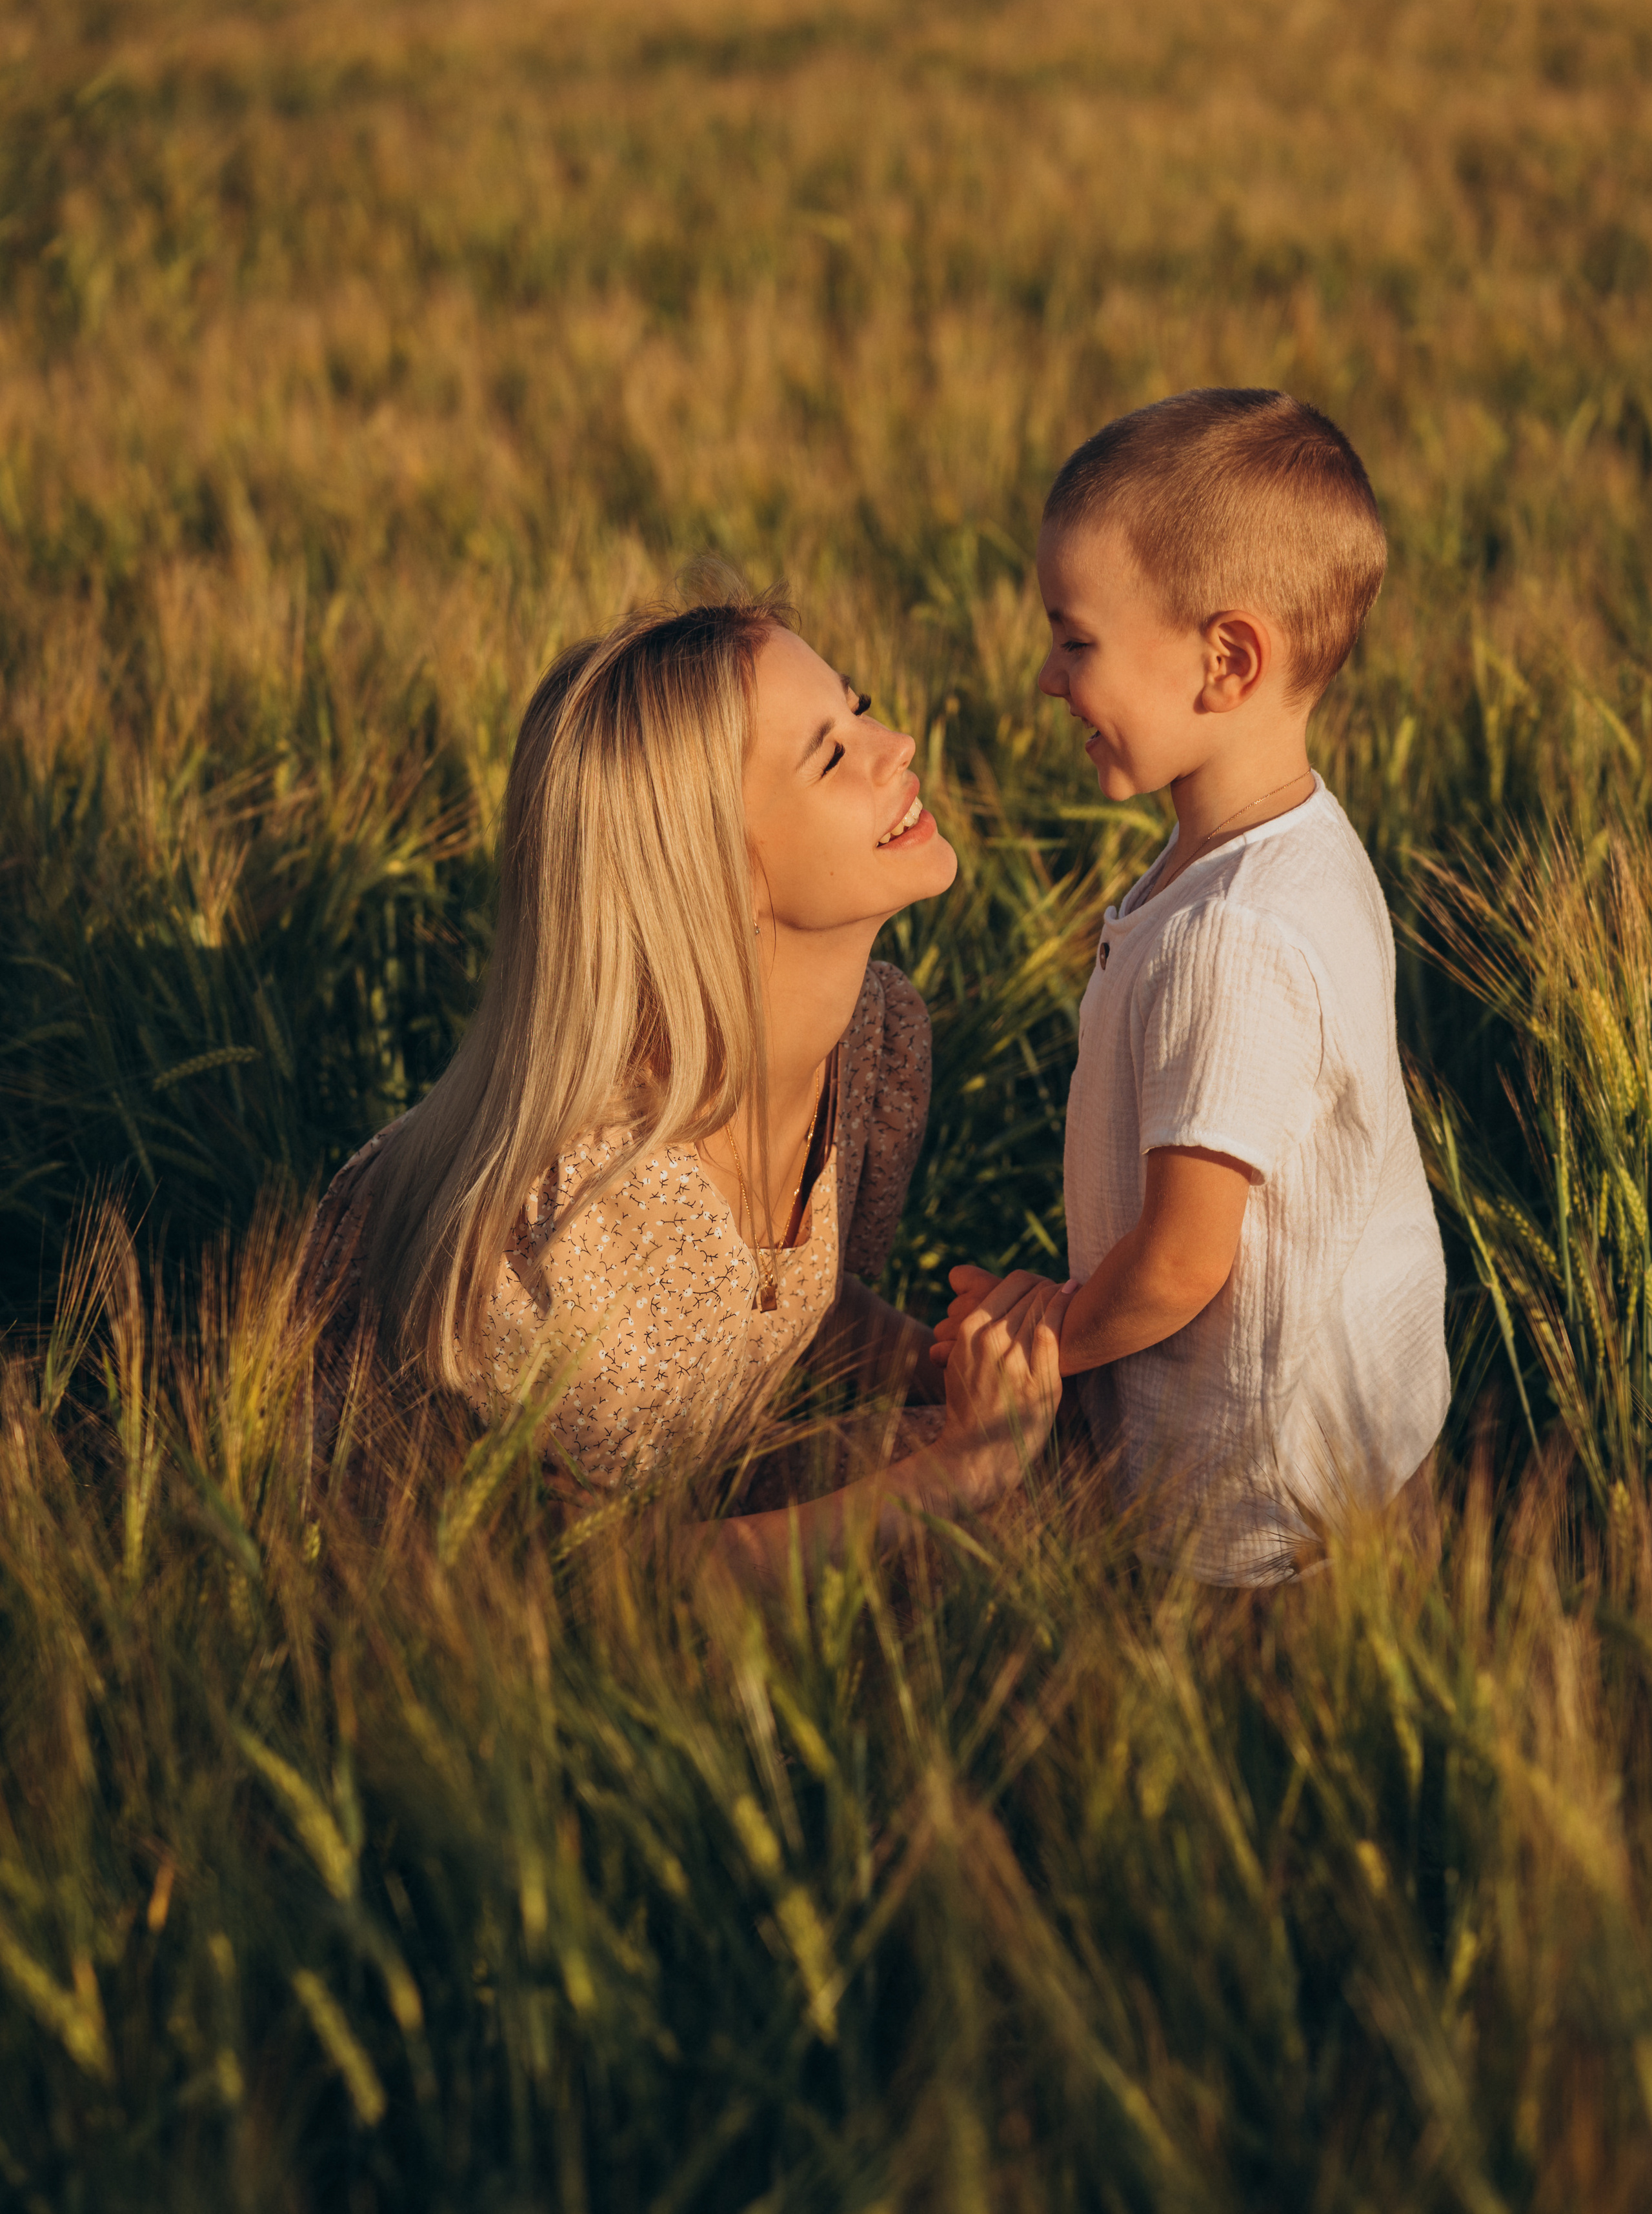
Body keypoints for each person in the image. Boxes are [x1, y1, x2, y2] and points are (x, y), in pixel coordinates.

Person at [299, 579, 1069, 1579]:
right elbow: (605, 1594)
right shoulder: (579, 1222)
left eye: (859, 707)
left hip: (672, 1515)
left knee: (1067, 1485)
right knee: (981, 1510)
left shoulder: (877, 1042)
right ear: (721, 871)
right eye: (832, 755)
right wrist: (957, 1469)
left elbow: (783, 1303)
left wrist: (943, 1362)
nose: (897, 748)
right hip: (441, 1617)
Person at [934, 389, 1449, 1583]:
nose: (1051, 681)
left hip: (1254, 1506)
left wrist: (1033, 1351)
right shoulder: (1281, 846)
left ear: (1226, 660)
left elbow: (1179, 1265)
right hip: (1347, 1432)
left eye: (1078, 640)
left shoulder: (1238, 939)